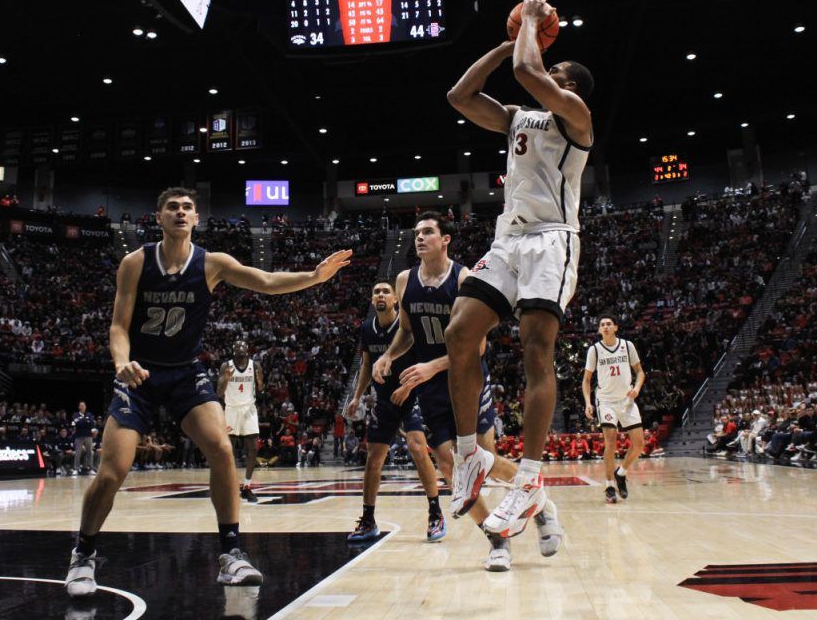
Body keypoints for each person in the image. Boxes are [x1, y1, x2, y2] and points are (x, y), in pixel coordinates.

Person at [65, 187, 351, 596]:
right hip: (139, 375)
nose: (180, 212)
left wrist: (314, 276)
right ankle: (83, 556)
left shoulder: (212, 263)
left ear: (196, 218)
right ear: (158, 217)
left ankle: (231, 554)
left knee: (221, 448)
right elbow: (118, 325)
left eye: (187, 208)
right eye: (172, 207)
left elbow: (266, 281)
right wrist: (120, 363)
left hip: (185, 373)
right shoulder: (135, 262)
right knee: (113, 470)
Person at [443, 0, 594, 534]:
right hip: (510, 236)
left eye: (558, 73)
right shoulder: (517, 118)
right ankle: (470, 456)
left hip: (553, 239)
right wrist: (507, 43)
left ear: (570, 87)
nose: (545, 73)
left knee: (536, 350)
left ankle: (529, 479)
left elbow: (529, 72)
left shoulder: (577, 117)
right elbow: (459, 95)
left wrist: (529, 23)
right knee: (460, 332)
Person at [374, 213, 563, 572]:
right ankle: (497, 540)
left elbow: (475, 348)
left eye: (428, 232)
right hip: (429, 387)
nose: (420, 238)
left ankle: (539, 502)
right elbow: (409, 332)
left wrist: (432, 365)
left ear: (445, 239)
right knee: (450, 465)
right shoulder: (404, 280)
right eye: (416, 233)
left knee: (484, 457)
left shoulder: (464, 277)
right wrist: (388, 354)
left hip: (465, 377)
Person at [344, 281, 445, 545]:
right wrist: (356, 397)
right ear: (371, 299)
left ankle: (435, 513)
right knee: (374, 458)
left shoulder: (407, 326)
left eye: (385, 291)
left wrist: (407, 385)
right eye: (376, 291)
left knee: (417, 448)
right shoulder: (367, 329)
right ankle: (368, 520)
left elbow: (424, 359)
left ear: (396, 300)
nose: (380, 294)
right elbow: (366, 365)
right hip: (385, 400)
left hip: (414, 394)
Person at [582, 314, 645, 503]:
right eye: (602, 325)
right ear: (599, 330)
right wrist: (588, 402)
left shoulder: (627, 346)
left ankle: (621, 473)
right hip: (606, 401)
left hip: (626, 400)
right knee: (610, 442)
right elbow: (586, 380)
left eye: (609, 324)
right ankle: (609, 485)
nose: (606, 327)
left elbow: (640, 372)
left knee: (639, 444)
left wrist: (636, 388)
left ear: (616, 327)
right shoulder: (594, 350)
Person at [218, 340, 263, 502]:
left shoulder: (255, 365)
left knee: (253, 448)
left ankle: (247, 487)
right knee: (228, 449)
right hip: (231, 409)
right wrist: (225, 379)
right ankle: (230, 485)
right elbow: (218, 392)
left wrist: (259, 381)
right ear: (233, 352)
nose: (241, 352)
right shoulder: (226, 366)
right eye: (238, 350)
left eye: (243, 350)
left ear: (247, 352)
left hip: (249, 409)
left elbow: (261, 387)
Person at [71, 402, 96, 475]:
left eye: (83, 405)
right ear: (79, 407)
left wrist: (82, 421)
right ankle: (76, 468)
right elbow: (76, 423)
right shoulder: (75, 415)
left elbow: (91, 423)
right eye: (81, 406)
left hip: (88, 435)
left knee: (90, 452)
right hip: (79, 436)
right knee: (78, 453)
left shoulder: (89, 414)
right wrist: (85, 421)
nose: (82, 407)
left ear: (85, 406)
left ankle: (90, 468)